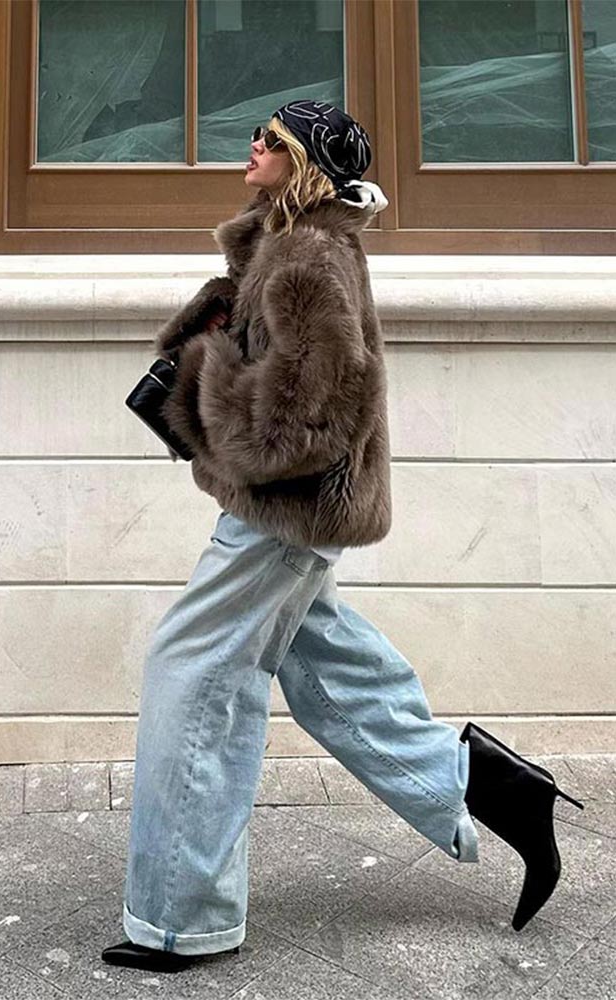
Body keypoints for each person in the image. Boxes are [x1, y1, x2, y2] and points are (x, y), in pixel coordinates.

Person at [102, 100, 584, 975]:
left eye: (272, 140)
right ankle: (492, 787)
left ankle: (182, 917)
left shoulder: (309, 256)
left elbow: (315, 412)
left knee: (194, 668)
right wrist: (214, 334)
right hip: (292, 509)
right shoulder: (282, 248)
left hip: (288, 507)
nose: (252, 146)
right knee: (330, 670)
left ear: (307, 164)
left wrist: (204, 382)